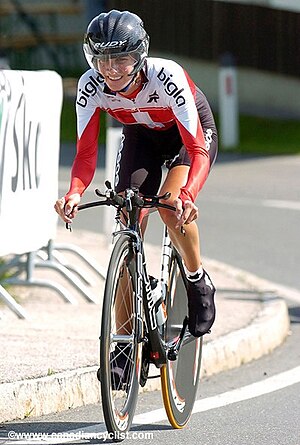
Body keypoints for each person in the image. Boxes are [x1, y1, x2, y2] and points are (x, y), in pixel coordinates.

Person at [55, 9, 217, 340]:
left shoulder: (167, 76)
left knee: (170, 209)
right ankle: (123, 341)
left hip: (187, 139)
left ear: (139, 56)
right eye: (102, 60)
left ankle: (197, 278)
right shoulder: (90, 85)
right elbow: (86, 153)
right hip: (141, 137)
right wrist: (74, 192)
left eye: (122, 60)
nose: (111, 69)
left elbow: (197, 149)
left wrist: (189, 196)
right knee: (127, 221)